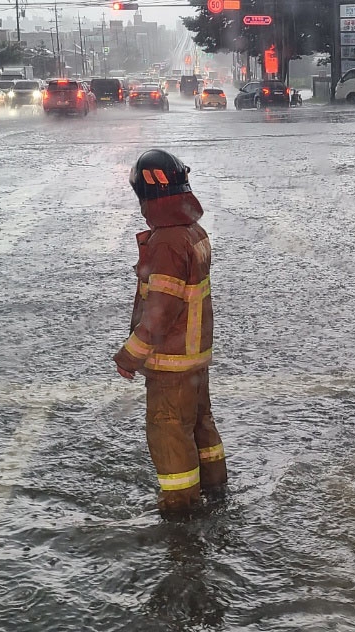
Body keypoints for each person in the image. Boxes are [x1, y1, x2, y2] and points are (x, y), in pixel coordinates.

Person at [113, 149, 227, 514]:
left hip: (172, 362)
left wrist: (130, 354)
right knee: (199, 423)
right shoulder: (193, 232)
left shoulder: (166, 243)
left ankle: (181, 510)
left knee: (168, 430)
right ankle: (215, 488)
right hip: (194, 357)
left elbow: (160, 311)